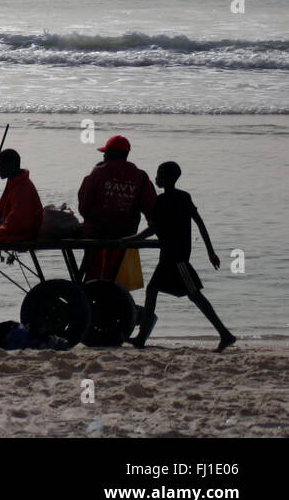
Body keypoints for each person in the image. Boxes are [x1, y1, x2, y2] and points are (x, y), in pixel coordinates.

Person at [130, 162, 235, 352]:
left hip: (176, 258)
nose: (156, 179)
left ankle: (225, 334)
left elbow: (152, 230)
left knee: (194, 295)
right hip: (171, 256)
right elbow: (200, 224)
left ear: (166, 179)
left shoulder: (161, 201)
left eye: (158, 175)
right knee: (153, 290)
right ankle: (141, 338)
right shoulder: (183, 197)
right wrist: (210, 251)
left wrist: (131, 240)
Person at [77, 135, 155, 285]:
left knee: (92, 273)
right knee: (115, 276)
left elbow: (84, 208)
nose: (104, 155)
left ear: (111, 154)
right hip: (127, 235)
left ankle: (89, 290)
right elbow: (152, 210)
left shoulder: (97, 174)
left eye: (105, 153)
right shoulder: (140, 176)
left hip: (96, 234)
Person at [0, 149, 42, 245]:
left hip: (24, 232)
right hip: (12, 228)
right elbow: (5, 213)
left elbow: (17, 220)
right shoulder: (13, 182)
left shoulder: (22, 186)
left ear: (10, 165)